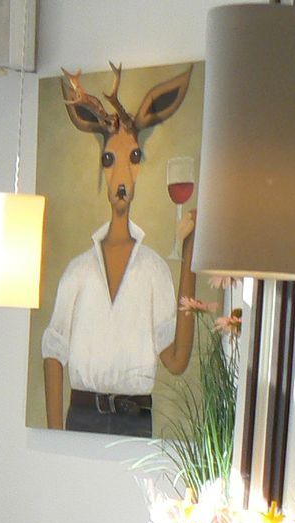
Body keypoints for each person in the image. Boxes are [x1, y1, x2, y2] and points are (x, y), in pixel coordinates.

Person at [40, 66, 199, 435]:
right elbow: (54, 352)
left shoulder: (155, 270)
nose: (122, 177)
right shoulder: (78, 271)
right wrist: (54, 437)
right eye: (110, 160)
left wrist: (190, 253)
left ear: (139, 167)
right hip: (81, 419)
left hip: (135, 425)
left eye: (133, 158)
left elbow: (176, 360)